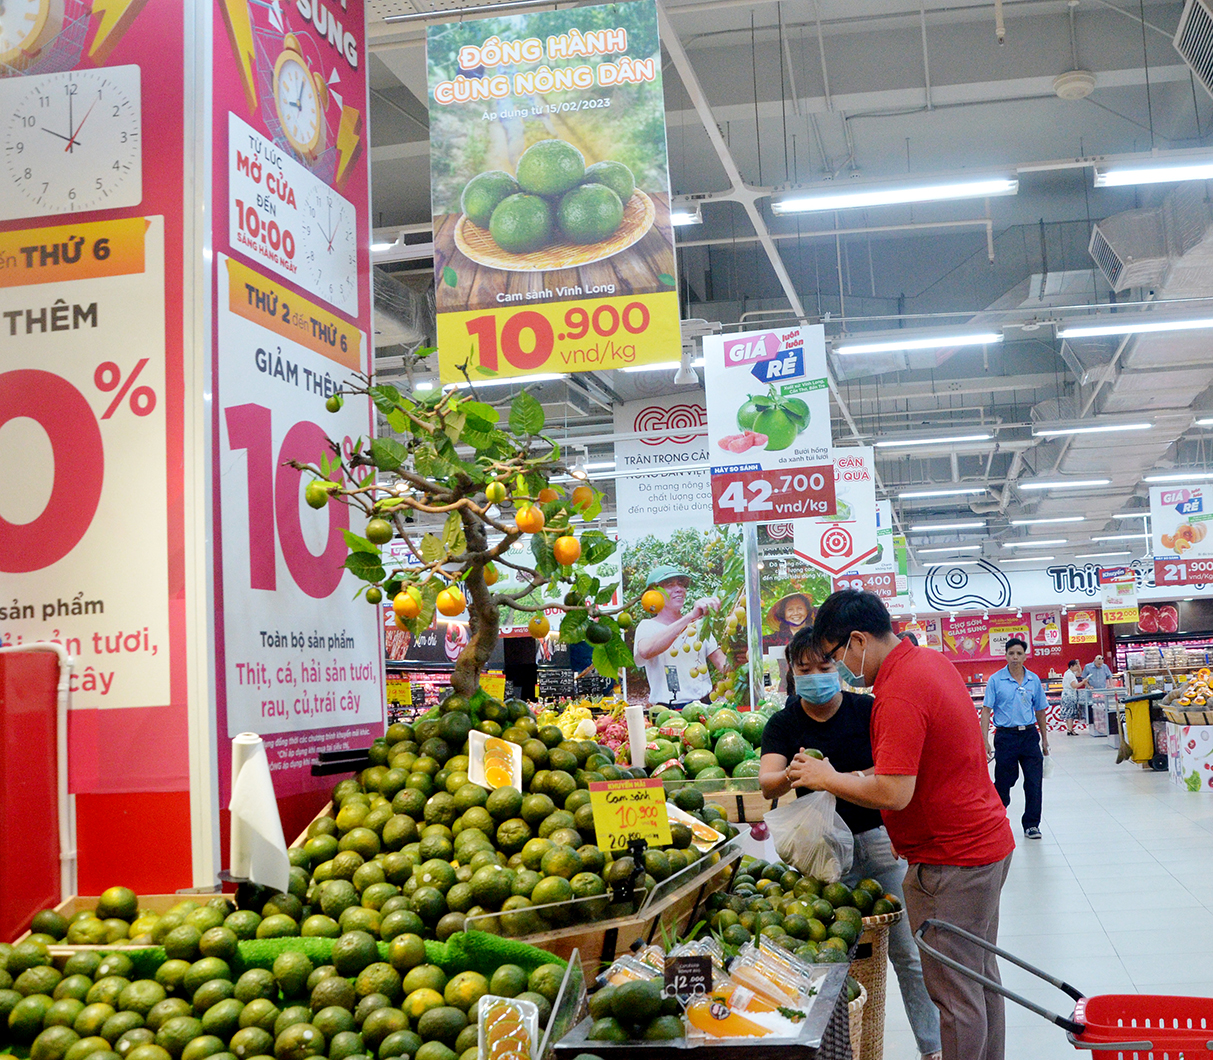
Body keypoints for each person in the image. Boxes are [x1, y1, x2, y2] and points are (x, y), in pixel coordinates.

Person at [794, 589, 1015, 1060]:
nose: (843, 668)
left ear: (857, 640)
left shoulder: (897, 691)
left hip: (951, 859)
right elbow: (913, 766)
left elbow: (896, 791)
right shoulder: (928, 663)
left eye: (836, 656)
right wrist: (854, 777)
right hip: (984, 843)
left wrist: (829, 779)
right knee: (979, 979)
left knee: (954, 996)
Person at [760, 626, 942, 1060]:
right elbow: (766, 783)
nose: (816, 675)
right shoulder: (784, 723)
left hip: (879, 841)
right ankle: (830, 1048)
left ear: (838, 664)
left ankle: (932, 1049)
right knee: (823, 952)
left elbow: (892, 769)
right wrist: (794, 774)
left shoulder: (867, 709)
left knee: (909, 954)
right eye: (805, 668)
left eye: (825, 665)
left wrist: (838, 779)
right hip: (820, 851)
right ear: (792, 671)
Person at [980, 639, 1050, 840]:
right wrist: (984, 741)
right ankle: (995, 821)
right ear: (1006, 655)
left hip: (1029, 736)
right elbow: (986, 711)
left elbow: (1040, 710)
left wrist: (1044, 739)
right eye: (1011, 653)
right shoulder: (995, 680)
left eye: (1019, 653)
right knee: (1004, 782)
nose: (1015, 657)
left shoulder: (1033, 680)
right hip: (1006, 737)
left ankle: (1031, 825)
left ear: (1025, 656)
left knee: (1034, 782)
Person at [633, 565, 726, 707]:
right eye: (669, 584)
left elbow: (722, 664)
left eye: (681, 584)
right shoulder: (647, 626)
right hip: (668, 711)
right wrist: (690, 617)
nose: (679, 589)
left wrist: (741, 655)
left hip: (704, 706)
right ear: (654, 593)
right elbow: (646, 651)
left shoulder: (698, 625)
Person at [1060, 659, 1087, 735]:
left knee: (1069, 713)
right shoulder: (1070, 675)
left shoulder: (1068, 673)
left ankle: (1070, 729)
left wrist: (1078, 664)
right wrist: (1083, 682)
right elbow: (1074, 685)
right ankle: (1070, 729)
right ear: (1071, 666)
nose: (1077, 668)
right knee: (1070, 713)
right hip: (1070, 695)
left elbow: (1079, 673)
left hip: (1067, 694)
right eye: (1076, 666)